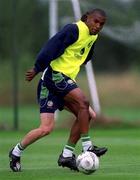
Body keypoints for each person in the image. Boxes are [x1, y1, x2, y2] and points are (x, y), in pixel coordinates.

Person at [9, 8, 108, 172]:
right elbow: (52, 46)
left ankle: (66, 156)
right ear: (86, 18)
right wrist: (37, 67)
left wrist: (81, 61)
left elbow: (86, 54)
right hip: (53, 77)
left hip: (64, 80)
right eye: (95, 21)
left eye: (102, 24)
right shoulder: (74, 29)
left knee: (85, 115)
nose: (98, 26)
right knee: (78, 106)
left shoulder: (93, 36)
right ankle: (88, 147)